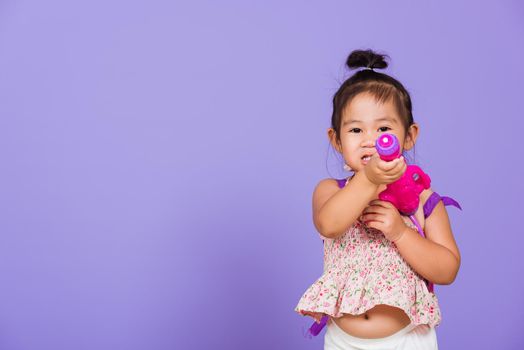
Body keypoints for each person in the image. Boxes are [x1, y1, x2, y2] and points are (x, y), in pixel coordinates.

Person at [294, 49, 461, 349]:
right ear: (337, 139)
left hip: (408, 339)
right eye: (356, 129)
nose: (370, 139)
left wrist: (400, 232)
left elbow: (447, 269)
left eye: (383, 128)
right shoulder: (331, 190)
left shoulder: (423, 200)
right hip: (345, 342)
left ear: (409, 136)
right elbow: (330, 224)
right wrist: (369, 180)